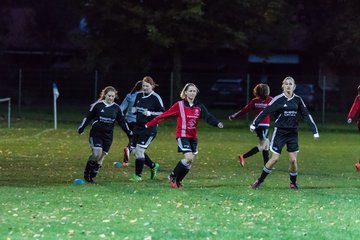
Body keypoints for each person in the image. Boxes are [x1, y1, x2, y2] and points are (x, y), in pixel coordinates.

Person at [145, 83, 224, 188]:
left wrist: (217, 123)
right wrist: (149, 124)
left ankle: (178, 181)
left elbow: (207, 116)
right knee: (188, 158)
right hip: (182, 135)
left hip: (193, 137)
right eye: (190, 91)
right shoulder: (179, 105)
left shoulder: (199, 106)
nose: (192, 93)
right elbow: (164, 115)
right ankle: (173, 176)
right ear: (185, 92)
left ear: (196, 93)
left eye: (194, 91)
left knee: (190, 162)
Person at [249, 76, 319, 190]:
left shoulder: (298, 99)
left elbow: (306, 115)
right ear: (283, 86)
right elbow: (265, 111)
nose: (288, 86)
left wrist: (314, 131)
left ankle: (293, 183)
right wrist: (254, 123)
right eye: (286, 84)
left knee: (293, 160)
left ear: (294, 87)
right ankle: (259, 181)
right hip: (280, 132)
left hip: (292, 133)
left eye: (290, 84)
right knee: (274, 159)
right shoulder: (278, 99)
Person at [78, 86, 131, 183]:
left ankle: (94, 170)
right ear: (105, 95)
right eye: (109, 96)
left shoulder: (116, 108)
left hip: (108, 136)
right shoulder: (98, 105)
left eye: (113, 96)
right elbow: (88, 117)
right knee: (96, 153)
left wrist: (128, 132)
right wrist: (81, 127)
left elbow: (122, 122)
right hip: (96, 134)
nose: (111, 98)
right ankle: (87, 173)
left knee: (101, 156)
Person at [130, 76, 165, 182]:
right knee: (133, 151)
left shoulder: (156, 97)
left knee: (140, 151)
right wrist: (134, 110)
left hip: (149, 128)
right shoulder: (139, 95)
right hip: (138, 127)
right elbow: (135, 107)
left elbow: (163, 113)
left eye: (147, 86)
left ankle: (138, 176)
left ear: (152, 86)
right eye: (143, 85)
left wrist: (150, 113)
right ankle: (153, 166)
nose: (144, 88)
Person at [229, 83, 272, 167]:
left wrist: (234, 116)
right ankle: (243, 156)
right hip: (262, 126)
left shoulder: (255, 101)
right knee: (263, 145)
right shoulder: (269, 100)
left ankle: (267, 166)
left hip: (259, 125)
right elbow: (245, 110)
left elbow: (244, 110)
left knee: (267, 145)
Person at [119, 80, 143, 165]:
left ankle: (125, 161)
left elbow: (121, 108)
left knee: (132, 139)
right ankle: (130, 151)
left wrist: (119, 118)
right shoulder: (144, 97)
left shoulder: (129, 95)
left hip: (127, 122)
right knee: (137, 142)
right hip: (138, 122)